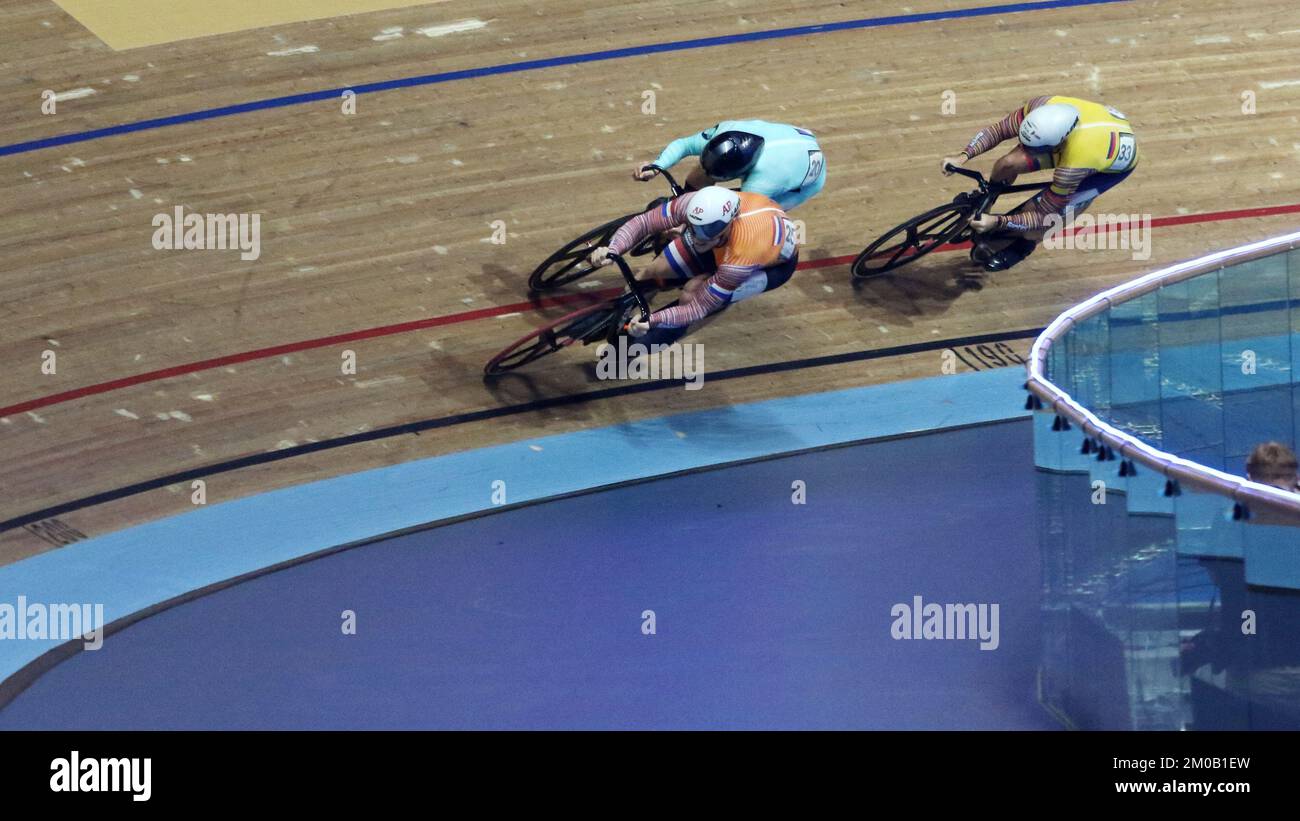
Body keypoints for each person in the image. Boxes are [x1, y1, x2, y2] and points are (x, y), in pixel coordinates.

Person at [942, 95, 1138, 271]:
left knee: (1041, 215)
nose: (1024, 149)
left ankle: (1023, 247)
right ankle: (986, 201)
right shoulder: (1041, 106)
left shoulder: (1074, 166)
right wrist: (962, 157)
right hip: (1086, 134)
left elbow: (1042, 214)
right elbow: (999, 131)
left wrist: (997, 221)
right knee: (1007, 164)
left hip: (1102, 166)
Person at [587, 186, 798, 346]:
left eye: (706, 230)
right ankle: (623, 310)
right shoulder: (695, 205)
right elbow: (642, 223)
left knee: (692, 295)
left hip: (767, 267)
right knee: (651, 271)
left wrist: (654, 319)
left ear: (729, 222)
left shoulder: (742, 256)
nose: (698, 237)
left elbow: (696, 309)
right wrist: (612, 248)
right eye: (694, 227)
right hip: (724, 244)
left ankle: (645, 345)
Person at [633, 119, 826, 212]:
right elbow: (684, 145)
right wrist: (657, 166)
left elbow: (737, 216)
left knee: (732, 220)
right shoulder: (726, 131)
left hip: (803, 183)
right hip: (795, 139)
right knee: (701, 175)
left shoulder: (762, 182)